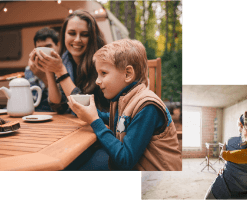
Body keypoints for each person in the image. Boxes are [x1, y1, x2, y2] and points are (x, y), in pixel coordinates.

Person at [67, 39, 182, 171]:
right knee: (80, 160)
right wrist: (88, 112)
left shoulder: (148, 107)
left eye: (103, 73)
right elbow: (120, 120)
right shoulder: (125, 98)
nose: (97, 81)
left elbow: (125, 160)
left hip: (156, 182)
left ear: (128, 74)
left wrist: (94, 121)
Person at [29, 10, 109, 114]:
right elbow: (58, 106)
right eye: (72, 33)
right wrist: (49, 69)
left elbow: (85, 109)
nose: (77, 39)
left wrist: (60, 71)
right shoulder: (65, 60)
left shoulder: (100, 63)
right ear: (64, 35)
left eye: (84, 34)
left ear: (92, 38)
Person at [25, 27, 59, 112]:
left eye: (48, 46)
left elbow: (59, 106)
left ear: (57, 46)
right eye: (40, 48)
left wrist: (44, 77)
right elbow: (31, 100)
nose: (43, 52)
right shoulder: (30, 69)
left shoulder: (63, 68)